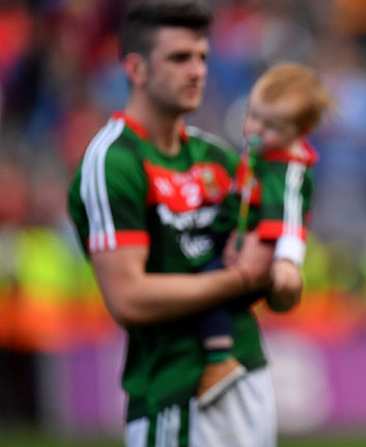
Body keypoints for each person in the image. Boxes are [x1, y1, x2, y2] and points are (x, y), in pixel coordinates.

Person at [66, 1, 285, 445]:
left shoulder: (218, 158)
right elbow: (129, 299)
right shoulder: (113, 161)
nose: (197, 71)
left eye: (203, 57)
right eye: (179, 58)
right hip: (178, 394)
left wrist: (284, 268)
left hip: (250, 380)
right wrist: (242, 278)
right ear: (136, 69)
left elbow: (274, 292)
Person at [196, 62, 329, 405]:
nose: (254, 128)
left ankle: (218, 358)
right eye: (252, 116)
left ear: (300, 131)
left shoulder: (289, 170)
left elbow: (290, 220)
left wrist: (286, 262)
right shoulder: (264, 153)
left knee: (209, 286)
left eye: (270, 126)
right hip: (236, 234)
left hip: (258, 247)